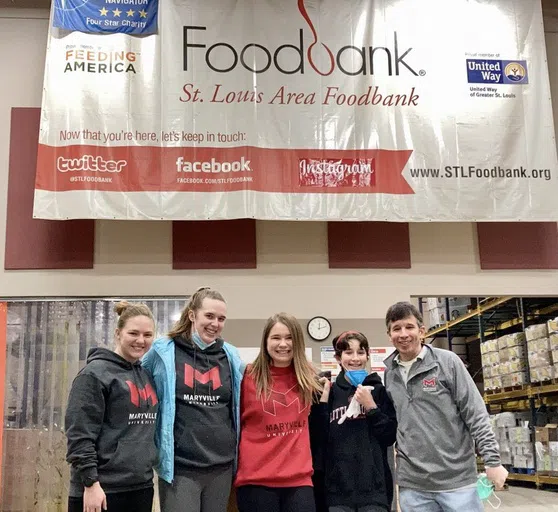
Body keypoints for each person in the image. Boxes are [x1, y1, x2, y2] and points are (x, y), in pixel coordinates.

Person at [383, 302, 508, 512]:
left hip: (457, 483)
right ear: (389, 335)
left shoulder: (447, 363)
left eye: (409, 327)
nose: (403, 334)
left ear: (421, 331)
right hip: (413, 486)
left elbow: (476, 414)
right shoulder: (390, 374)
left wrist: (492, 461)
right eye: (396, 329)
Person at [142, 286, 245, 512]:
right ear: (192, 315)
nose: (215, 324)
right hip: (181, 467)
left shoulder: (231, 356)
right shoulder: (162, 351)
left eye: (221, 318)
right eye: (209, 316)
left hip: (222, 467)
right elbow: (134, 375)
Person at [65, 301, 158, 512]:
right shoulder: (94, 374)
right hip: (101, 489)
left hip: (140, 486)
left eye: (147, 335)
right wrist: (90, 483)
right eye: (133, 333)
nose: (140, 340)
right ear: (118, 333)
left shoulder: (145, 375)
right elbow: (79, 435)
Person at [235, 312, 323, 512]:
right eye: (276, 338)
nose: (283, 344)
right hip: (256, 480)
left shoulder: (309, 379)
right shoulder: (247, 376)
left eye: (289, 338)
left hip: (299, 481)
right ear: (265, 341)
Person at [312, 331, 397, 512]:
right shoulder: (331, 392)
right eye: (348, 352)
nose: (355, 358)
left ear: (368, 355)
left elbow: (389, 436)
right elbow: (318, 438)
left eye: (360, 352)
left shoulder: (379, 391)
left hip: (374, 492)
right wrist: (323, 401)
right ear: (338, 357)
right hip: (337, 493)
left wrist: (372, 407)